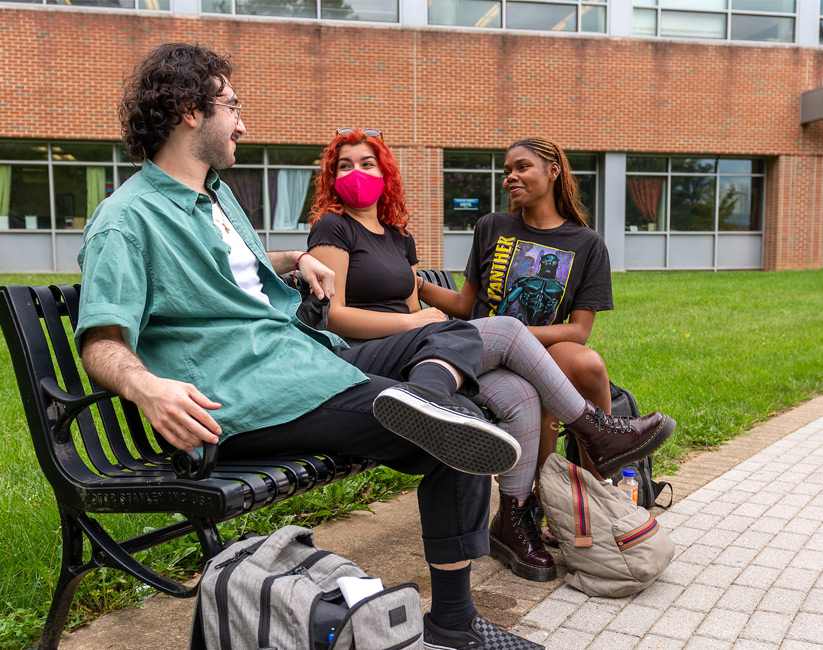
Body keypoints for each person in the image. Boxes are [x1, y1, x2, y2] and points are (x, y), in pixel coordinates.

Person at [74, 43, 542, 650]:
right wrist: (146, 386)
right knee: (465, 426)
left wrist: (293, 260)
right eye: (231, 107)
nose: (241, 123)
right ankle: (454, 622)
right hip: (247, 397)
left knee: (449, 329)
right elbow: (101, 341)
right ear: (190, 110)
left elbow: (218, 270)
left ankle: (425, 400)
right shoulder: (125, 219)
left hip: (305, 359)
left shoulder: (214, 195)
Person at [304, 129, 675, 582]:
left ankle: (512, 520)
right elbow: (335, 315)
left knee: (520, 394)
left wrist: (422, 321)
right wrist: (418, 325)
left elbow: (411, 303)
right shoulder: (332, 227)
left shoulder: (398, 236)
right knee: (508, 329)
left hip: (418, 347)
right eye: (345, 165)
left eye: (367, 163)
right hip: (370, 357)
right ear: (330, 174)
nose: (356, 173)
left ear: (385, 173)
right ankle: (597, 430)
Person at [419, 137, 630, 472]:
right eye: (507, 171)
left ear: (553, 171)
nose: (510, 177)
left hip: (544, 348)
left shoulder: (587, 244)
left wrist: (518, 336)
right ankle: (536, 492)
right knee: (539, 391)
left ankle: (597, 478)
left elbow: (579, 330)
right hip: (483, 348)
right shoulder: (492, 227)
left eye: (522, 167)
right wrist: (417, 285)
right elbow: (464, 304)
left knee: (589, 366)